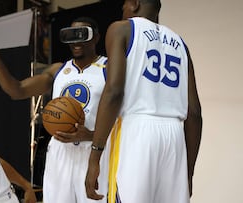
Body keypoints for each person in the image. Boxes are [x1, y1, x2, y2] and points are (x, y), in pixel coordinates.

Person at [0, 17, 110, 203]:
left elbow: (122, 117)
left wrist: (91, 135)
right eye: (71, 35)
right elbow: (17, 90)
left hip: (94, 151)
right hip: (60, 152)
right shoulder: (58, 70)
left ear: (96, 38)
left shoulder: (109, 68)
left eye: (82, 34)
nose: (76, 41)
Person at [85, 0, 202, 203]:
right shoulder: (180, 43)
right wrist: (188, 172)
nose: (122, 9)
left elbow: (113, 92)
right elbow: (194, 113)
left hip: (137, 132)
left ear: (134, 3)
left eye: (123, 5)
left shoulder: (122, 29)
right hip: (174, 137)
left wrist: (95, 156)